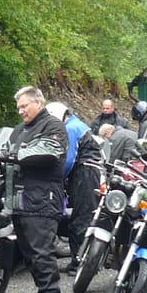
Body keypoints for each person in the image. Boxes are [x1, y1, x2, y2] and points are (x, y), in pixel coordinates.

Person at [0, 86, 68, 293]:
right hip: (20, 200)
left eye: (24, 106)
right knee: (29, 255)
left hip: (43, 199)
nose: (20, 111)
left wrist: (11, 154)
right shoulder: (19, 129)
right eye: (18, 107)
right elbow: (4, 150)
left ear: (38, 103)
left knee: (41, 254)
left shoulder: (53, 126)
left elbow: (47, 152)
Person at [46, 101, 103, 272]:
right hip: (90, 172)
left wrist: (56, 177)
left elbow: (68, 160)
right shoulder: (78, 124)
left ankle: (79, 263)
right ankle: (85, 260)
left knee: (81, 218)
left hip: (85, 173)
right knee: (85, 215)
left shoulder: (70, 128)